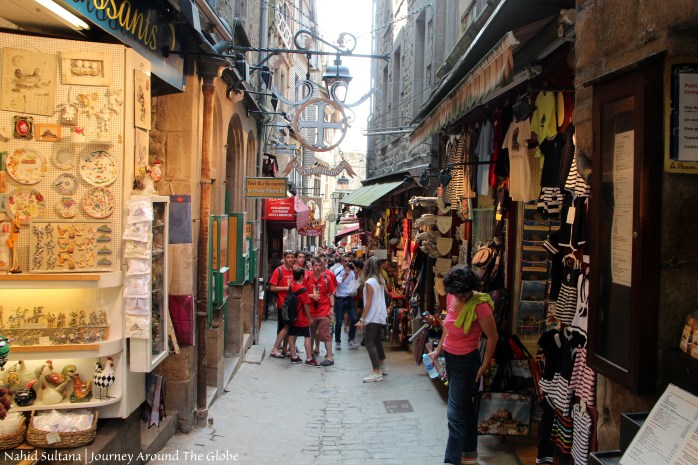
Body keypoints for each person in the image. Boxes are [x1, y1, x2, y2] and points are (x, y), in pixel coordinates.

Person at [427, 265, 498, 465]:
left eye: (463, 294)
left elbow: (492, 337)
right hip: (450, 358)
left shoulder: (480, 305)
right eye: (456, 293)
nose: (460, 297)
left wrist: (484, 366)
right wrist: (438, 350)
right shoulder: (452, 297)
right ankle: (469, 454)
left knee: (454, 414)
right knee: (464, 407)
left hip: (467, 362)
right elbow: (447, 328)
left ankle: (451, 460)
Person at [355, 257, 388, 382]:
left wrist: (362, 319)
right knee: (376, 341)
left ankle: (376, 371)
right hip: (379, 313)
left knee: (369, 343)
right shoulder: (380, 280)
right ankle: (382, 366)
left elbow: (368, 302)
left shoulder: (370, 282)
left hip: (373, 315)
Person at [305, 257, 336, 366]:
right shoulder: (307, 278)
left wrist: (332, 307)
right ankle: (311, 355)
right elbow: (302, 294)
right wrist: (311, 296)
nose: (318, 268)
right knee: (311, 334)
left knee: (325, 334)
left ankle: (330, 357)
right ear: (312, 266)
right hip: (311, 312)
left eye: (319, 265)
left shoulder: (327, 278)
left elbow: (331, 293)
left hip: (324, 310)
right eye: (316, 265)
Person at [268, 251, 296, 358]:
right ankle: (276, 348)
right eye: (288, 257)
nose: (290, 259)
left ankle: (284, 349)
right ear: (284, 259)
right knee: (284, 327)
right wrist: (286, 288)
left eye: (292, 257)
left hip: (292, 303)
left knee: (288, 327)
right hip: (282, 303)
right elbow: (272, 287)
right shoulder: (278, 270)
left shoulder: (294, 271)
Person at [286, 267, 313, 365]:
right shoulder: (302, 289)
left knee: (292, 335)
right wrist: (310, 318)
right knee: (307, 336)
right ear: (302, 276)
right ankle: (309, 358)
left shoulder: (291, 286)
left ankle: (293, 356)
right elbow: (306, 305)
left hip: (293, 316)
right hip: (302, 316)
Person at [334, 255, 359, 350]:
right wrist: (346, 274)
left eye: (349, 261)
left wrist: (356, 273)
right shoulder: (338, 271)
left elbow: (356, 282)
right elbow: (337, 282)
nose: (347, 263)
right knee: (339, 321)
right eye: (345, 261)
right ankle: (337, 341)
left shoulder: (352, 271)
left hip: (349, 298)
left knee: (354, 319)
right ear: (342, 262)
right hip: (340, 298)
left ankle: (351, 339)